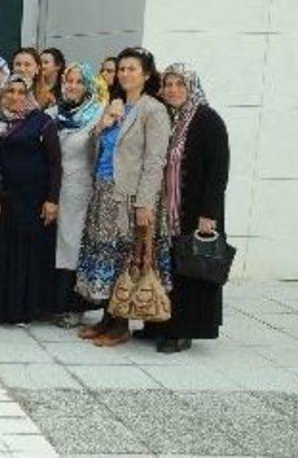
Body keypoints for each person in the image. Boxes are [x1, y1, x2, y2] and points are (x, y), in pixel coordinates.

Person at [76, 47, 171, 347]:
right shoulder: (114, 105)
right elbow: (94, 149)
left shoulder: (153, 110)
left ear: (146, 74)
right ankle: (107, 318)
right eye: (121, 69)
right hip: (103, 190)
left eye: (132, 69)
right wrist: (102, 125)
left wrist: (144, 203)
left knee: (123, 258)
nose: (125, 74)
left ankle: (120, 325)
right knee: (103, 254)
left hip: (129, 196)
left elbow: (155, 161)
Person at [143, 63, 229, 353]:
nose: (173, 90)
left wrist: (209, 213)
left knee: (190, 271)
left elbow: (218, 171)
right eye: (168, 84)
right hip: (166, 211)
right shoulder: (167, 117)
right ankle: (159, 323)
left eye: (180, 84)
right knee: (167, 268)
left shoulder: (207, 120)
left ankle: (182, 331)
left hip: (194, 212)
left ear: (191, 87)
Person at [0, 75, 63, 325]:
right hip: (2, 198)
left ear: (29, 95)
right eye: (11, 91)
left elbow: (55, 163)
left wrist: (52, 199)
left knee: (24, 254)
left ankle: (22, 310)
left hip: (32, 199)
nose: (16, 96)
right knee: (0, 251)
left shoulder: (42, 122)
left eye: (22, 92)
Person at [51, 63, 104, 328]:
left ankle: (73, 306)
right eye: (69, 81)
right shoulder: (53, 113)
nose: (72, 86)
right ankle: (51, 303)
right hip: (53, 189)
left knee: (72, 246)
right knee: (54, 245)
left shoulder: (98, 114)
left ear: (89, 86)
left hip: (80, 189)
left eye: (79, 81)